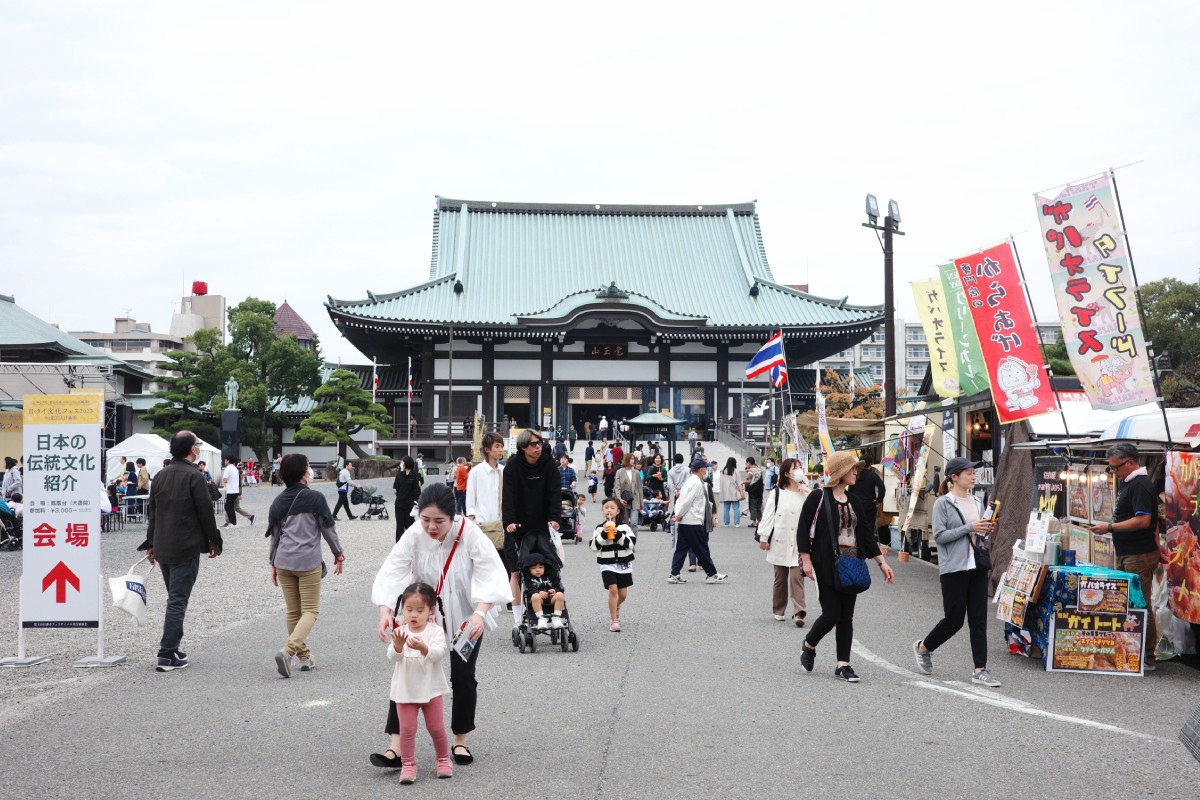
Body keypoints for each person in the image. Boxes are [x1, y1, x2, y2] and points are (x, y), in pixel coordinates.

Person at [372, 484, 510, 768]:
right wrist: (385, 611)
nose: (431, 527)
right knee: (407, 669)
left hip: (465, 615)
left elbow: (490, 572)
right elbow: (393, 570)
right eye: (426, 520)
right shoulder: (414, 534)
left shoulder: (470, 533)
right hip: (424, 612)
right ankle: (395, 747)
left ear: (453, 516)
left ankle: (460, 741)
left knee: (462, 675)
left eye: (439, 521)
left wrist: (480, 613)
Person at [798, 451, 895, 683]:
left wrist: (881, 562)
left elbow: (866, 534)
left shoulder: (854, 501)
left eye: (857, 469)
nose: (856, 473)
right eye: (852, 469)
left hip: (852, 562)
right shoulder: (818, 497)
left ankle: (843, 664)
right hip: (825, 563)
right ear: (840, 472)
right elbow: (803, 529)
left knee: (846, 617)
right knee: (831, 613)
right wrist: (806, 560)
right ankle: (809, 644)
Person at [138, 431, 223, 672]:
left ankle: (173, 648)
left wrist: (151, 543)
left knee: (175, 597)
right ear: (192, 450)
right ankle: (166, 653)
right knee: (177, 599)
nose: (199, 447)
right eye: (198, 444)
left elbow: (152, 512)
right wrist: (213, 540)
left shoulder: (161, 476)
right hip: (186, 546)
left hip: (163, 545)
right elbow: (205, 511)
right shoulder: (194, 476)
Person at [913, 457, 1000, 687]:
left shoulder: (977, 501)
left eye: (974, 473)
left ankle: (980, 669)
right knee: (954, 620)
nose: (973, 476)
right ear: (954, 477)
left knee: (979, 620)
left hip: (977, 567)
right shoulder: (943, 503)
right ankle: (924, 647)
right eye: (969, 473)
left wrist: (986, 529)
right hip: (953, 569)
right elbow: (940, 536)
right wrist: (970, 527)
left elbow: (979, 537)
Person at [268, 453, 345, 678]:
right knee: (310, 610)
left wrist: (272, 562)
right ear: (303, 473)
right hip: (307, 561)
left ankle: (304, 657)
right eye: (309, 466)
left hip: (283, 561)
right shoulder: (315, 498)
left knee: (293, 611)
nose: (310, 470)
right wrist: (338, 553)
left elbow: (274, 536)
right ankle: (288, 651)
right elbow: (328, 529)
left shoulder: (278, 501)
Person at [1089, 442, 1161, 670]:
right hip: (1130, 552)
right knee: (1130, 604)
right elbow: (1154, 522)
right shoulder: (1130, 483)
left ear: (1130, 463)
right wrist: (1159, 546)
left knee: (1140, 604)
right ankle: (1133, 652)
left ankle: (1147, 657)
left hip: (1138, 554)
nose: (1113, 472)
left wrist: (1109, 528)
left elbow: (1144, 520)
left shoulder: (1140, 484)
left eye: (1115, 467)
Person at [385, 582, 453, 783]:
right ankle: (408, 764)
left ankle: (443, 759)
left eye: (420, 610)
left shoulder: (435, 631)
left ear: (431, 610)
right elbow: (393, 657)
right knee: (407, 729)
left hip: (431, 689)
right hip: (405, 690)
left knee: (436, 728)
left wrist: (424, 648)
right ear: (402, 609)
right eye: (409, 610)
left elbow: (439, 653)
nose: (413, 615)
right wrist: (397, 646)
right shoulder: (400, 631)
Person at [466, 432, 515, 624]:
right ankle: (485, 599)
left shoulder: (504, 471)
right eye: (497, 446)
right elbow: (471, 500)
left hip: (503, 523)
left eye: (501, 446)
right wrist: (471, 521)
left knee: (508, 562)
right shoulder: (477, 472)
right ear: (487, 449)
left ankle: (509, 598)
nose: (500, 449)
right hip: (484, 525)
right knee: (485, 563)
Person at [758, 458, 811, 626]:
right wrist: (764, 538)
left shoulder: (806, 493)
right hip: (779, 539)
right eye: (796, 468)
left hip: (799, 542)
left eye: (800, 467)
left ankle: (799, 612)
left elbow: (819, 510)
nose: (800, 470)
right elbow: (768, 516)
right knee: (780, 578)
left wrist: (808, 490)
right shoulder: (777, 493)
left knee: (797, 577)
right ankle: (779, 609)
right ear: (787, 473)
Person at [502, 429, 562, 575]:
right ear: (523, 446)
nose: (538, 447)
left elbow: (555, 494)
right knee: (515, 573)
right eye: (534, 444)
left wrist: (554, 518)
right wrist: (509, 521)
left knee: (545, 568)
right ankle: (516, 598)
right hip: (517, 524)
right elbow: (508, 497)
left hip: (542, 523)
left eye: (540, 443)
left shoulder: (549, 463)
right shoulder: (512, 465)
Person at [668, 457, 727, 584]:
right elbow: (688, 502)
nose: (707, 469)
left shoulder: (689, 482)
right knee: (702, 548)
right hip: (693, 520)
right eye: (705, 467)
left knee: (682, 548)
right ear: (701, 470)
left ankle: (674, 573)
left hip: (685, 521)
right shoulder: (697, 483)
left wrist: (678, 514)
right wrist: (679, 515)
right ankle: (712, 574)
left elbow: (680, 500)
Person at [590, 497, 636, 631]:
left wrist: (619, 535)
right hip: (607, 564)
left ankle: (616, 606)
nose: (609, 510)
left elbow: (631, 544)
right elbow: (593, 547)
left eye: (612, 508)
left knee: (623, 594)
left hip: (624, 563)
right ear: (602, 510)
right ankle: (614, 620)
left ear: (618, 511)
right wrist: (604, 534)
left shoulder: (625, 527)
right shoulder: (599, 528)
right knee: (613, 589)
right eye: (606, 508)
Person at [522, 552, 567, 630]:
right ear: (528, 569)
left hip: (551, 598)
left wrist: (555, 590)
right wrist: (538, 592)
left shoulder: (550, 576)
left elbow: (558, 586)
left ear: (545, 567)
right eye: (534, 568)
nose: (537, 570)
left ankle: (556, 618)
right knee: (535, 596)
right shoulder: (529, 578)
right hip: (538, 601)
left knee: (560, 594)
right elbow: (529, 589)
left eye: (540, 567)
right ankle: (541, 618)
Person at [848, 453, 887, 544]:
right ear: (870, 464)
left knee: (856, 525)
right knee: (868, 527)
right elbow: (882, 487)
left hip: (855, 505)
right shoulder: (873, 475)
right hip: (869, 505)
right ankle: (867, 546)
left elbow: (850, 489)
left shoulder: (855, 475)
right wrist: (878, 500)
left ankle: (856, 544)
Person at [393, 456, 423, 541]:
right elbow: (397, 488)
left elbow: (417, 491)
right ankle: (399, 544)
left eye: (402, 462)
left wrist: (415, 502)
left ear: (406, 463)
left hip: (410, 504)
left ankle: (412, 541)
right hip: (399, 503)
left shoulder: (415, 475)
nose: (401, 464)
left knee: (409, 524)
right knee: (399, 525)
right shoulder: (399, 475)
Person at [222, 456, 254, 527]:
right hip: (236, 491)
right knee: (230, 507)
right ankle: (230, 522)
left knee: (230, 507)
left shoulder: (228, 469)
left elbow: (225, 480)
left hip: (231, 491)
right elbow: (238, 482)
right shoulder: (235, 469)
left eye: (225, 460)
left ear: (228, 460)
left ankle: (232, 523)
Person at [614, 453, 643, 528]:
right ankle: (627, 539)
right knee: (625, 524)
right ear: (627, 460)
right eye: (631, 459)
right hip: (624, 500)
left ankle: (633, 539)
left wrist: (641, 502)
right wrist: (619, 499)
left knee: (634, 523)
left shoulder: (636, 472)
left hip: (635, 500)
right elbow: (617, 487)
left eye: (634, 459)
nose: (633, 461)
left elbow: (640, 487)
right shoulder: (619, 472)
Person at [718, 457, 745, 527]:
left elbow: (721, 483)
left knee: (726, 509)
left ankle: (726, 523)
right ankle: (736, 523)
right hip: (734, 493)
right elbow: (739, 482)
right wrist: (741, 491)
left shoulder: (723, 471)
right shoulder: (736, 471)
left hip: (726, 493)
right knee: (736, 508)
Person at [744, 457, 764, 528]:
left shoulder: (750, 471)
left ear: (749, 463)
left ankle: (754, 522)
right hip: (760, 491)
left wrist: (742, 482)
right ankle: (759, 521)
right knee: (759, 507)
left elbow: (749, 481)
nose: (746, 464)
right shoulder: (759, 469)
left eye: (746, 463)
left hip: (753, 491)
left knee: (753, 507)